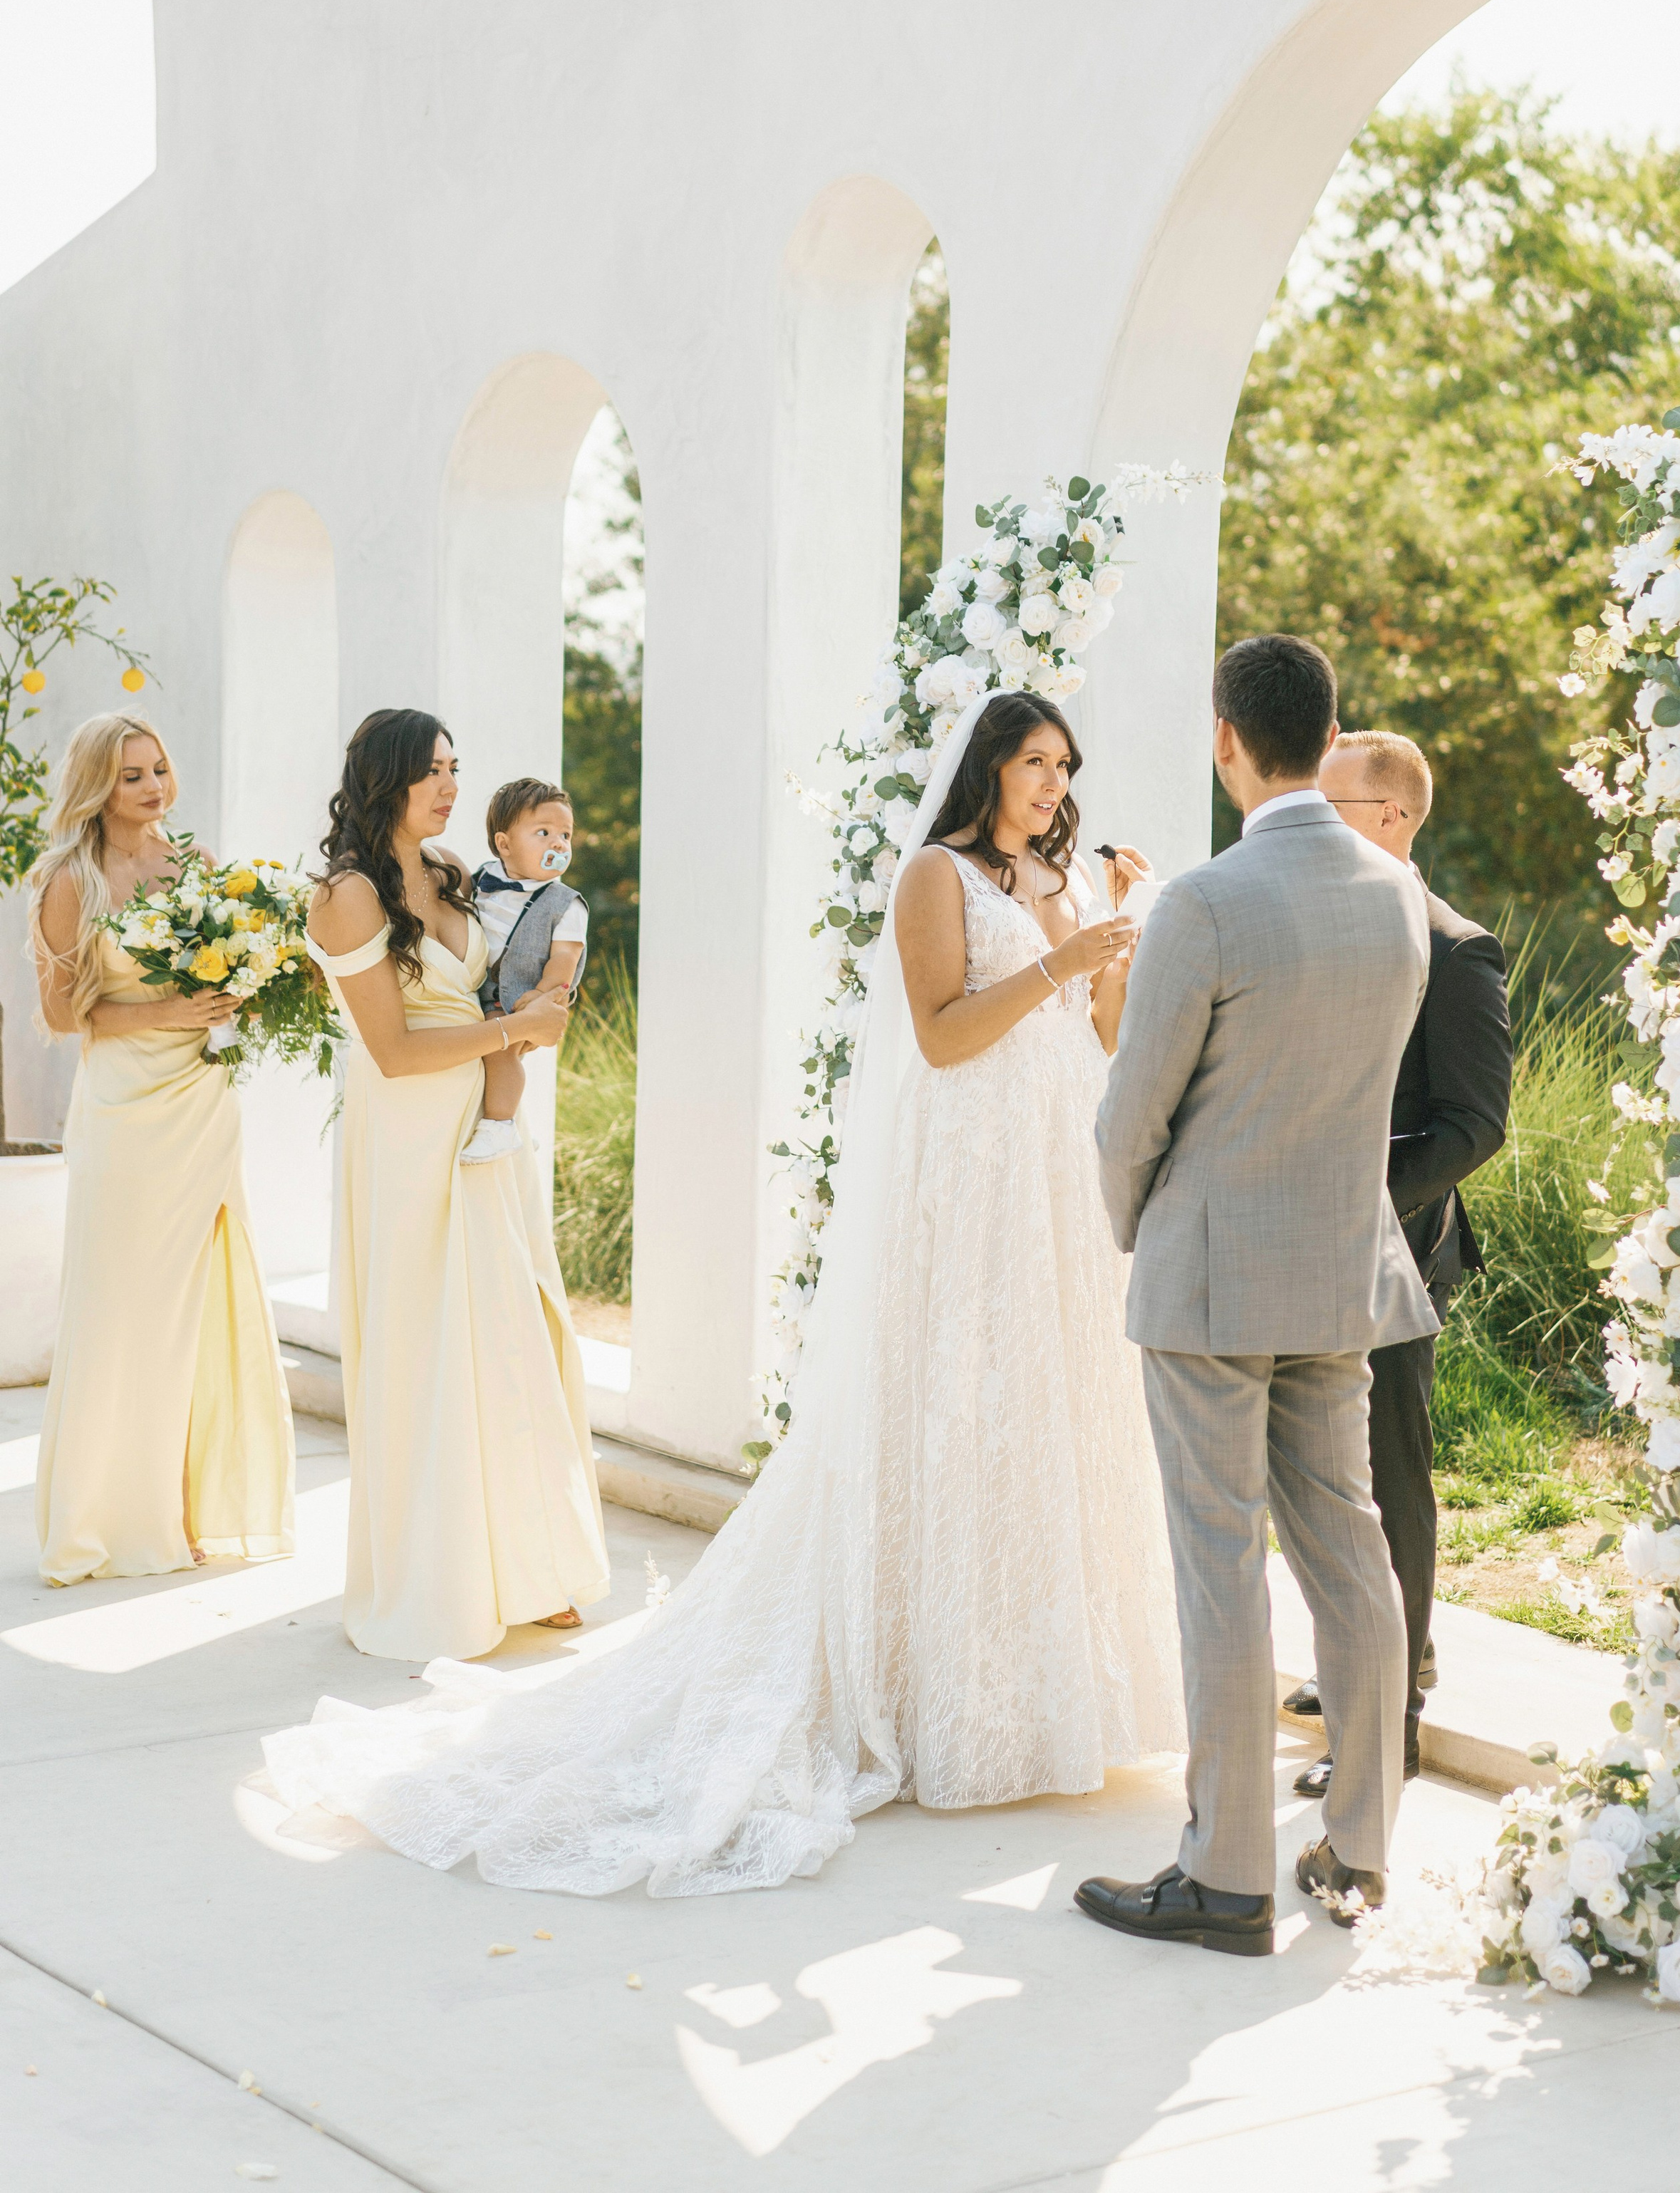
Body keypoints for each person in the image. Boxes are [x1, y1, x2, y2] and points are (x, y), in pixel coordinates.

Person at [262, 688, 1185, 1895]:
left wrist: (1118, 927)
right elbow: (947, 1035)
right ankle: (925, 1687)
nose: (1054, 783)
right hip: (971, 1179)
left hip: (1053, 1184)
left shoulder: (1063, 884)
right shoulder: (936, 879)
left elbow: (1099, 1030)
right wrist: (1063, 956)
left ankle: (1038, 1696)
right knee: (957, 1407)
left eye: (1066, 762)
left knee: (1044, 1421)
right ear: (986, 772)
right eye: (1032, 762)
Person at [1077, 635, 1432, 1955]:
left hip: (1213, 1281)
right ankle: (1361, 1845)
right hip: (1340, 1274)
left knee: (1221, 1566)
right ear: (1326, 733)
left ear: (1228, 739)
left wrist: (1135, 1228)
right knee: (1352, 1553)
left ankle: (1226, 1877)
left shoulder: (1207, 903)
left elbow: (1133, 1114)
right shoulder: (1399, 892)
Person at [303, 709, 607, 1659]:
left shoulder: (448, 876)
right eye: (431, 771)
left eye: (454, 769)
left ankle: (530, 1563)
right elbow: (391, 1051)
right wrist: (516, 1034)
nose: (449, 787)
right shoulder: (348, 897)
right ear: (385, 778)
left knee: (513, 1333)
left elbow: (502, 971)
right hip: (406, 1143)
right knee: (430, 1358)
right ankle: (441, 1579)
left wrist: (542, 997)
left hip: (482, 1132)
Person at [1282, 730, 1512, 1800]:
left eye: (1329, 805)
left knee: (1387, 1481)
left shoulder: (1456, 948)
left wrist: (1351, 1190)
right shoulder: (1307, 925)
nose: (1308, 821)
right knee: (1319, 1477)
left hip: (1397, 1256)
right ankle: (1359, 1668)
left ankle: (1396, 1721)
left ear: (1389, 817)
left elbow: (1474, 1127)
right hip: (1292, 1238)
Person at [28, 712, 294, 1585]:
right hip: (123, 1105)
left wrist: (243, 992)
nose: (153, 788)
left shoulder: (196, 867)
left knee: (193, 1300)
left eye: (159, 771)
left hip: (199, 1099)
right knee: (117, 1302)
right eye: (133, 775)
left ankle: (186, 1511)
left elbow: (234, 972)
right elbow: (62, 1011)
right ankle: (103, 1518)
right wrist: (161, 1013)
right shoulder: (73, 880)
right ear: (99, 786)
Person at [459, 777, 588, 1167]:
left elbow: (564, 961)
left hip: (517, 997)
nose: (558, 843)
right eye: (544, 832)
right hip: (472, 988)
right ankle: (512, 1124)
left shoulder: (568, 905)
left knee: (500, 1054)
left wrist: (541, 1000)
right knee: (478, 1058)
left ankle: (500, 1126)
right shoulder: (482, 880)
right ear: (504, 844)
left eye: (565, 835)